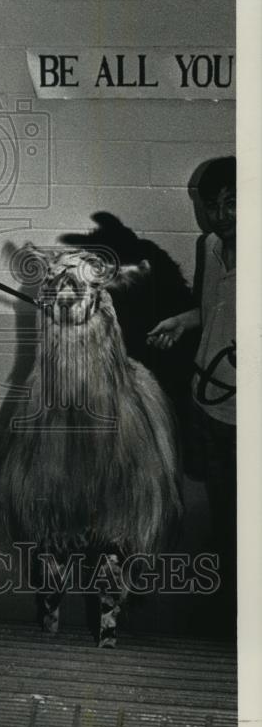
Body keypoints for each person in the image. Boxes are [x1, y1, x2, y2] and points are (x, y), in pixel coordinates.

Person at [147, 156, 236, 631]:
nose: (223, 215)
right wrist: (183, 320)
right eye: (213, 205)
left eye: (233, 203)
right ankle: (226, 561)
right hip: (207, 394)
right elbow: (210, 306)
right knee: (217, 490)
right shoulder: (209, 246)